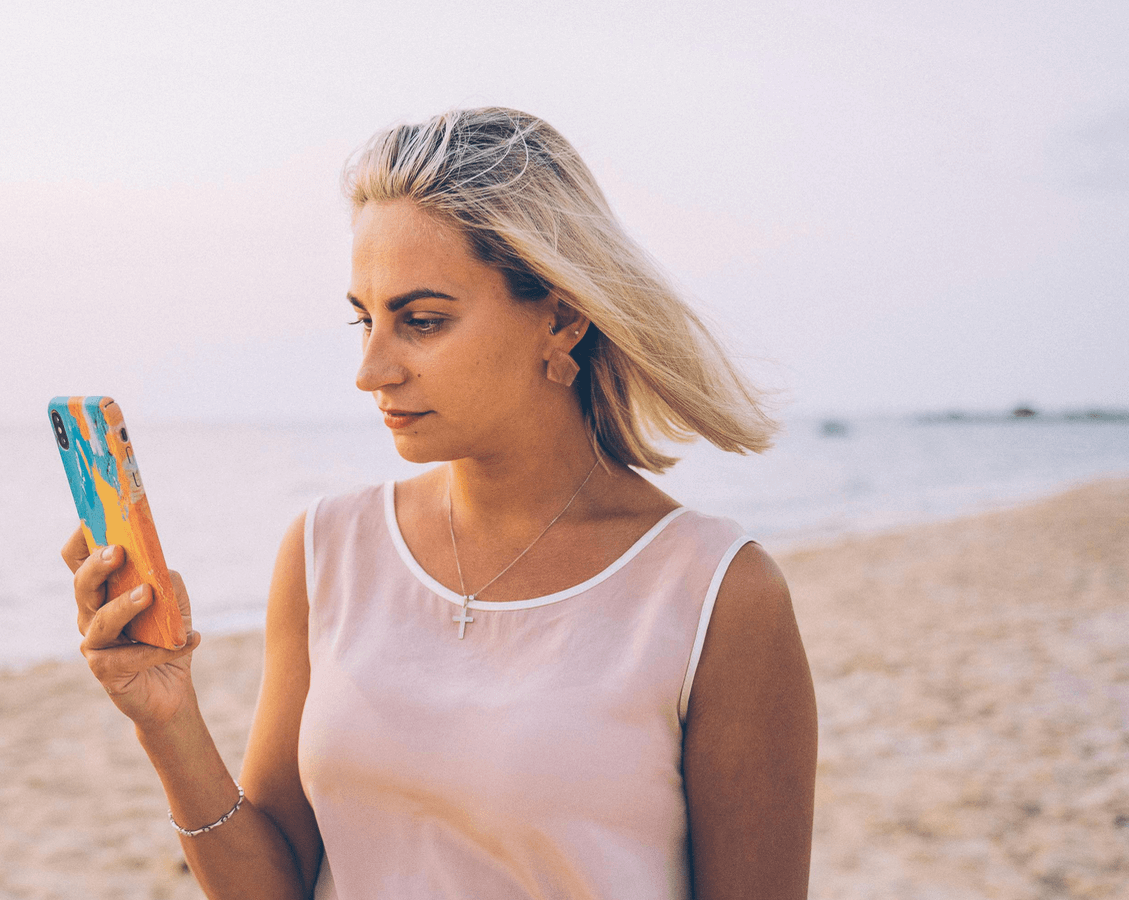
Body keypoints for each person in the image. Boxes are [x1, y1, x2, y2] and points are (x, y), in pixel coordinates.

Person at [64, 107, 817, 900]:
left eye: (421, 321)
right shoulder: (327, 550)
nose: (372, 369)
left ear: (561, 317)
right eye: (365, 319)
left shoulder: (716, 595)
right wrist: (167, 717)